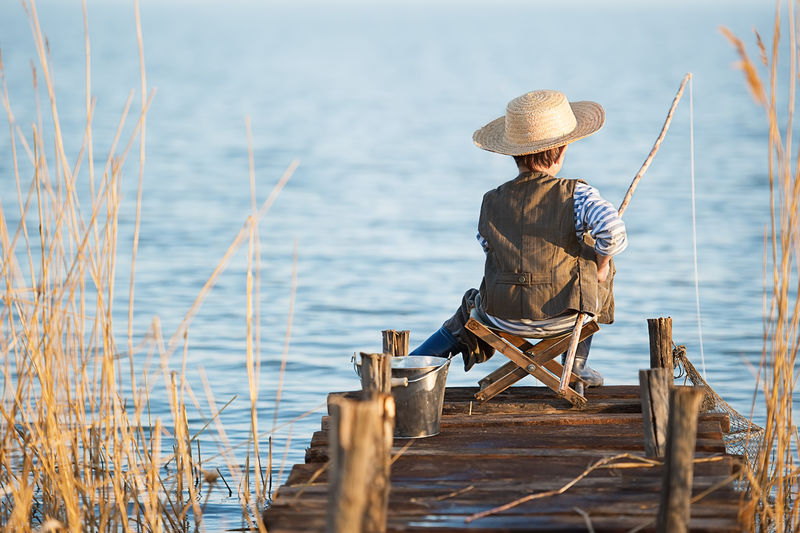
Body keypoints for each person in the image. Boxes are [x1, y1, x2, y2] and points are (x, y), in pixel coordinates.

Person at [410, 89, 627, 388]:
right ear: (563, 151)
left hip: (500, 317)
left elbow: (487, 245)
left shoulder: (491, 200)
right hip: (566, 317)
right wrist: (601, 266)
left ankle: (414, 365)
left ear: (513, 154)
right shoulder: (578, 194)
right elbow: (613, 232)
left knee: (470, 304)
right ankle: (575, 366)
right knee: (595, 253)